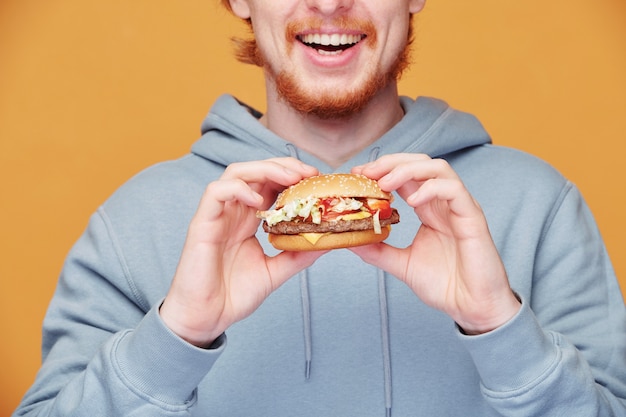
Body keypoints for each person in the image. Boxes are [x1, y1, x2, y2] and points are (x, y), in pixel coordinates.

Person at [13, 0, 626, 415]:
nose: (330, 1)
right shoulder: (130, 223)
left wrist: (500, 326)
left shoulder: (541, 204)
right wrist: (177, 336)